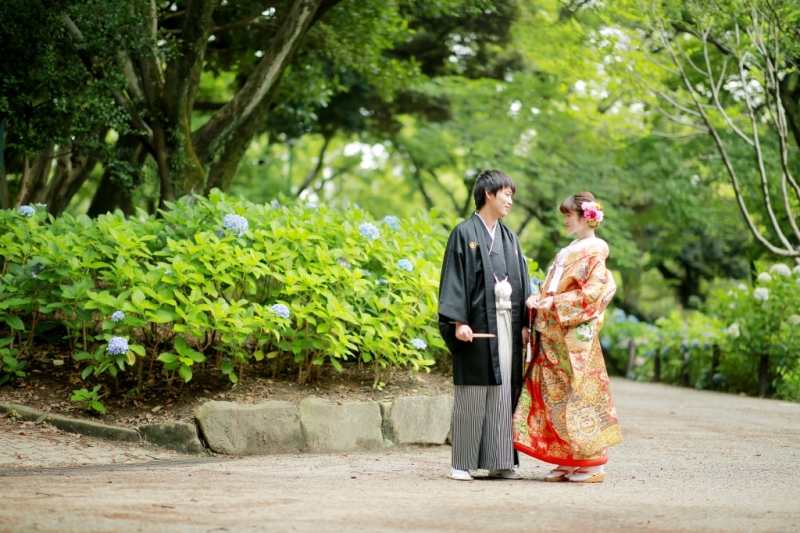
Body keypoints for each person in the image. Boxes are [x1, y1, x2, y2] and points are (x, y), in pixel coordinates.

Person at [513, 191, 622, 483]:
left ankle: (592, 465)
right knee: (555, 396)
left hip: (573, 337)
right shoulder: (571, 249)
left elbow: (595, 291)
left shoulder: (595, 250)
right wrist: (539, 299)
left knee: (579, 395)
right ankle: (567, 459)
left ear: (586, 218)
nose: (565, 221)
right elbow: (553, 288)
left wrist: (556, 303)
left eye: (569, 216)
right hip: (553, 334)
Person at [438, 169, 531, 481]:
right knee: (473, 390)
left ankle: (501, 460)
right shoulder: (464, 233)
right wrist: (458, 321)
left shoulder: (510, 238)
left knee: (504, 388)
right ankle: (461, 463)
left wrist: (523, 324)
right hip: (476, 324)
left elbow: (521, 282)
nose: (510, 201)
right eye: (506, 193)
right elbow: (454, 279)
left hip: (507, 320)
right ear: (488, 194)